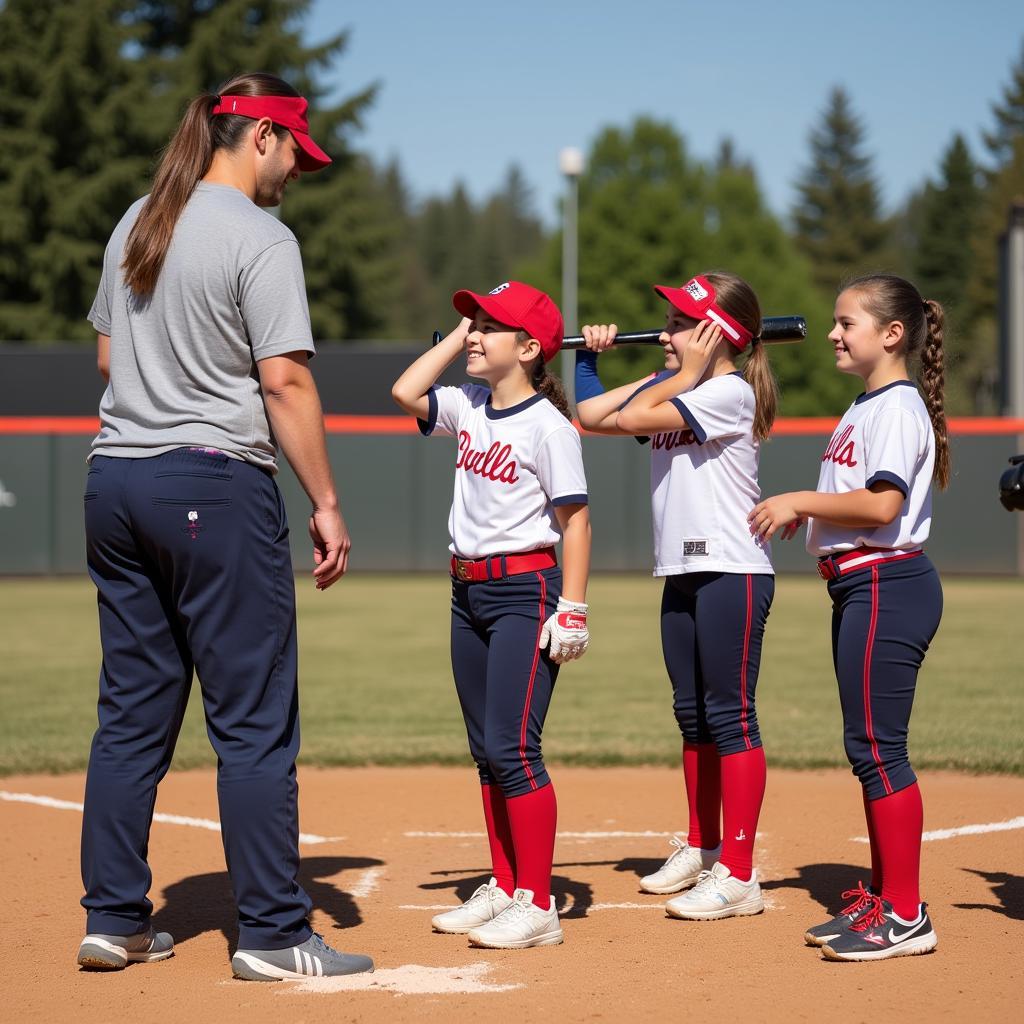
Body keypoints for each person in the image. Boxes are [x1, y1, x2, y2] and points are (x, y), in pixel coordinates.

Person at [78, 72, 374, 982]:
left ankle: (115, 921)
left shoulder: (141, 216)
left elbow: (105, 354)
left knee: (131, 718)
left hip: (114, 480)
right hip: (211, 486)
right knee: (251, 724)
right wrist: (325, 501)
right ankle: (277, 935)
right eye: (294, 149)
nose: (295, 167)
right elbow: (284, 382)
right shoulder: (261, 236)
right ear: (261, 139)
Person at [749, 273, 947, 962]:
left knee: (877, 749)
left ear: (891, 334)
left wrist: (800, 499)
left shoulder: (893, 407)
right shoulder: (869, 404)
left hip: (886, 582)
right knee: (868, 747)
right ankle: (887, 894)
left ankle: (904, 915)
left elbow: (881, 507)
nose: (833, 333)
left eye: (847, 322)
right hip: (865, 585)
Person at [392, 281, 591, 949]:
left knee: (514, 749)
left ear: (530, 348)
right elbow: (405, 391)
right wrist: (462, 333)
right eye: (473, 322)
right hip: (467, 594)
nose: (474, 335)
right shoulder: (470, 405)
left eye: (489, 326)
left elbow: (577, 521)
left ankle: (538, 905)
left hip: (524, 594)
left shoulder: (549, 427)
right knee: (486, 754)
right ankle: (506, 886)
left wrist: (574, 607)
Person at [576, 272, 777, 921]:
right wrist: (585, 358)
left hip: (731, 570)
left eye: (681, 323)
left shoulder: (727, 391)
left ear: (717, 336)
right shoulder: (689, 382)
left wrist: (684, 369)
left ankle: (739, 874)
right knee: (692, 716)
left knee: (731, 717)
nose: (665, 333)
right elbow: (590, 415)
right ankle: (702, 843)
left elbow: (631, 415)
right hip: (683, 570)